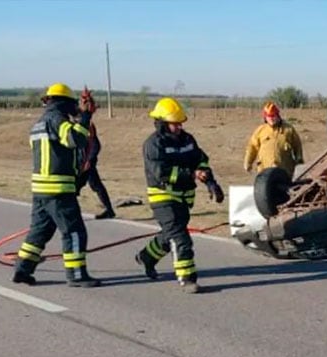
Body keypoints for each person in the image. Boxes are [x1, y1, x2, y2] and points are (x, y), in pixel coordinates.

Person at [12, 82, 101, 287]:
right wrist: (86, 117)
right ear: (64, 103)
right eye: (72, 104)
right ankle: (77, 275)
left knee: (39, 231)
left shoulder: (38, 124)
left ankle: (22, 269)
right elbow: (74, 139)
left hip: (40, 189)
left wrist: (83, 114)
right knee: (75, 232)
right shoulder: (57, 119)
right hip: (58, 189)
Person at [135, 97, 225, 294]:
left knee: (169, 236)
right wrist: (192, 174)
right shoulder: (153, 144)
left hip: (184, 198)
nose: (178, 127)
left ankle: (147, 257)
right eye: (174, 124)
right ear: (161, 123)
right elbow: (162, 173)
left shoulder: (188, 139)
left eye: (180, 123)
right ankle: (187, 279)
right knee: (181, 238)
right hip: (163, 198)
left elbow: (201, 161)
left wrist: (211, 183)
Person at [243, 101, 304, 179]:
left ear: (278, 115)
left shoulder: (288, 129)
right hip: (264, 172)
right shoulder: (260, 131)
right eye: (269, 116)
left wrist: (299, 161)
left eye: (273, 115)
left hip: (285, 171)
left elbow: (297, 146)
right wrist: (248, 162)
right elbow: (252, 147)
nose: (271, 118)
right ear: (265, 117)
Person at [81, 121, 116, 219]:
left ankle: (109, 210)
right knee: (95, 186)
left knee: (95, 186)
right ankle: (109, 210)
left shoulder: (87, 124)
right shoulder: (75, 123)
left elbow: (95, 144)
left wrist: (89, 160)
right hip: (81, 163)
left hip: (87, 164)